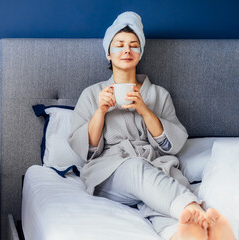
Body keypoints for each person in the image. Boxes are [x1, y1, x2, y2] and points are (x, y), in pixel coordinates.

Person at [68, 11, 235, 240]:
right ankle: (197, 212)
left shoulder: (158, 94)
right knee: (137, 169)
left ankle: (186, 235)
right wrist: (100, 112)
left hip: (154, 167)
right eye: (119, 45)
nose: (127, 50)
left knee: (158, 197)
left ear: (140, 53)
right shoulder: (92, 95)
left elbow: (171, 146)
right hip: (110, 171)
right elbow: (87, 151)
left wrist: (145, 110)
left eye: (133, 45)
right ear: (109, 53)